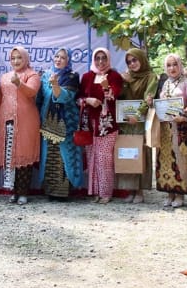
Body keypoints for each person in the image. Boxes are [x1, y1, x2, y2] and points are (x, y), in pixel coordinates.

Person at [36, 48, 83, 200]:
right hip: (47, 123)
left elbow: (64, 97)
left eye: (63, 57)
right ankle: (50, 191)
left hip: (66, 124)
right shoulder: (45, 75)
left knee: (64, 157)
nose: (58, 59)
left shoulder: (72, 76)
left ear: (68, 60)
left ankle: (62, 192)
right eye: (56, 56)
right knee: (50, 156)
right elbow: (40, 98)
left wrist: (55, 84)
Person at [78, 47, 124, 203]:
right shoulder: (87, 76)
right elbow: (78, 98)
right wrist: (87, 100)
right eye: (97, 58)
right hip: (89, 123)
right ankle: (95, 191)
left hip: (107, 124)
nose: (100, 61)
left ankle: (106, 192)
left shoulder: (114, 76)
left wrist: (106, 86)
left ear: (108, 59)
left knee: (104, 158)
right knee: (92, 157)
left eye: (104, 58)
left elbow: (114, 96)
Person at [0, 46, 41, 205]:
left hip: (26, 121)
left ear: (26, 59)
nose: (16, 61)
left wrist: (19, 84)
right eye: (13, 58)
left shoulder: (32, 74)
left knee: (23, 155)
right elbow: (0, 100)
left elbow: (32, 92)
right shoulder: (4, 76)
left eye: (19, 58)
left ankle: (23, 192)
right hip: (7, 120)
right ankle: (13, 191)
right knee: (10, 156)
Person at [155, 53, 187, 208]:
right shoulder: (165, 83)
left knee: (180, 159)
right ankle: (169, 192)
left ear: (180, 65)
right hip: (165, 128)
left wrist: (184, 115)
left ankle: (180, 194)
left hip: (180, 127)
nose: (172, 68)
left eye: (175, 64)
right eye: (169, 65)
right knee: (165, 160)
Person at [117, 48, 158, 203]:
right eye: (129, 61)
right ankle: (131, 189)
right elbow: (121, 97)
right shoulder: (126, 77)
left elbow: (149, 97)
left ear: (142, 59)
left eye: (135, 60)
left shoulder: (150, 76)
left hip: (141, 122)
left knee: (141, 154)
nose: (132, 64)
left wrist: (138, 114)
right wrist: (125, 83)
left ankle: (140, 191)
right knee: (128, 153)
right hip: (127, 123)